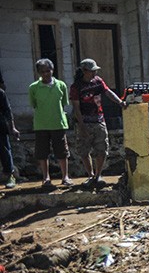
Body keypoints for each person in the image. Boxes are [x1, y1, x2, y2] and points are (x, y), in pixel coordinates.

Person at [70, 58, 126, 188]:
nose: (94, 73)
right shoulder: (76, 87)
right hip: (84, 121)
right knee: (84, 150)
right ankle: (90, 175)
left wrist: (120, 102)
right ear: (84, 71)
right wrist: (82, 125)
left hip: (99, 120)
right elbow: (76, 108)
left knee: (102, 149)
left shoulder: (98, 81)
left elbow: (108, 92)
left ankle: (98, 175)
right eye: (92, 71)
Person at [28, 58, 71, 187]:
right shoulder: (34, 88)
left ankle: (65, 176)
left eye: (48, 71)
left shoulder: (61, 85)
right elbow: (33, 104)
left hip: (58, 123)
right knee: (42, 152)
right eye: (43, 71)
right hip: (41, 124)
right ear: (38, 73)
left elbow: (64, 103)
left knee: (62, 151)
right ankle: (46, 178)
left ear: (52, 70)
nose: (46, 74)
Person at [0, 86, 20, 188]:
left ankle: (10, 176)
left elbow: (7, 111)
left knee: (4, 151)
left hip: (0, 127)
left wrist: (13, 128)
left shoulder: (0, 93)